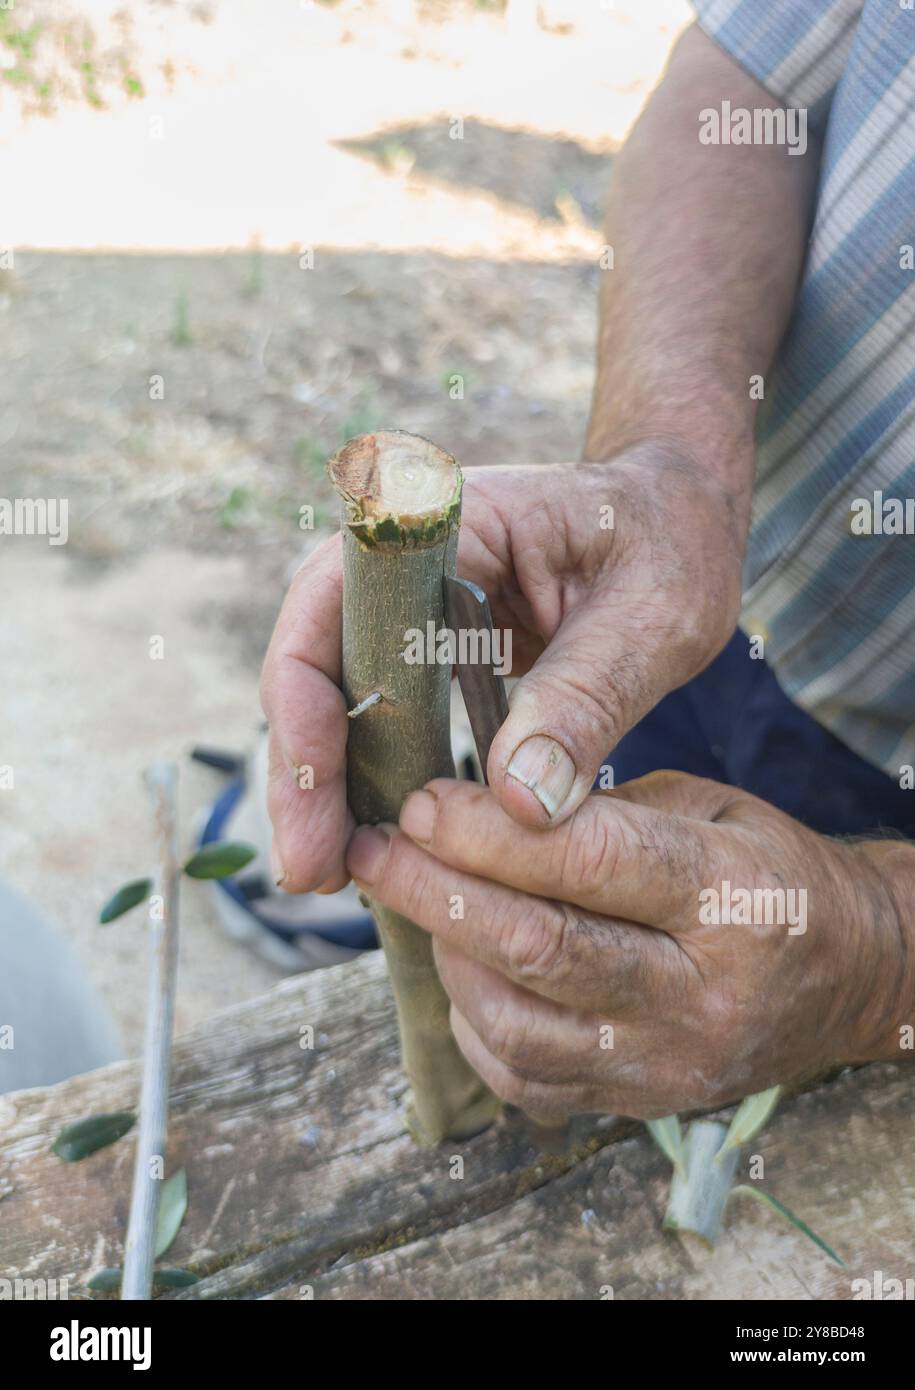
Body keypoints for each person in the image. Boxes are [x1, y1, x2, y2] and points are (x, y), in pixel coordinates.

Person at [260, 1, 915, 1122]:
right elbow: (744, 82)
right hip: (682, 620)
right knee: (548, 948)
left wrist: (883, 952)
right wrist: (672, 467)